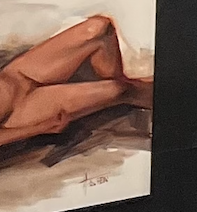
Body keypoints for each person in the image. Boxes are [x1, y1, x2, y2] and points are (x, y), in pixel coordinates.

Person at [0, 12, 153, 150]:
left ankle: (125, 89)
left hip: (15, 76)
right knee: (118, 89)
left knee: (99, 27)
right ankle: (151, 95)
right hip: (18, 113)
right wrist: (40, 128)